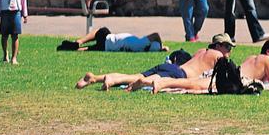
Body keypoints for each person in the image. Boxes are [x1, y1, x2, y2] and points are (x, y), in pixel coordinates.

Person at [76, 33, 234, 91]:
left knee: (133, 75)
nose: (229, 51)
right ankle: (138, 82)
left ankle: (96, 78)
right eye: (227, 47)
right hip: (179, 73)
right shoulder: (218, 57)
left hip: (171, 67)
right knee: (145, 80)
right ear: (218, 45)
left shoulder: (201, 51)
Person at [58, 27, 166, 52]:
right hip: (106, 48)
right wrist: (161, 49)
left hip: (108, 38)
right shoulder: (140, 49)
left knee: (101, 30)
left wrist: (161, 46)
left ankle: (78, 42)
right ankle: (72, 49)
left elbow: (156, 35)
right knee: (90, 49)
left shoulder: (140, 44)